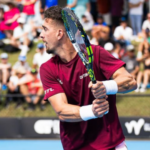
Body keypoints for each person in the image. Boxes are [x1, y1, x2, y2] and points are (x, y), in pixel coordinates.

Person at [40, 6, 137, 150]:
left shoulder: (96, 53)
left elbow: (130, 82)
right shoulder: (47, 69)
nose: (41, 35)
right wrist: (92, 111)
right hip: (76, 146)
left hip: (111, 145)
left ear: (60, 33)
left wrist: (106, 86)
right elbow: (61, 110)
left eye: (45, 29)